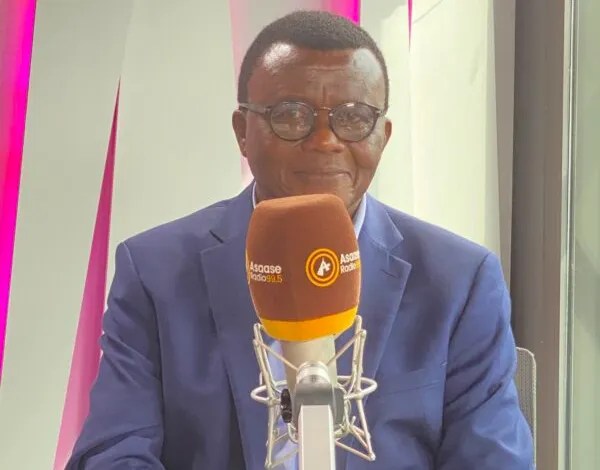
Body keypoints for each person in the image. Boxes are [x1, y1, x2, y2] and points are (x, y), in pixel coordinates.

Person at [67, 10, 534, 469]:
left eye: (354, 118)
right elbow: (111, 455)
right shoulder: (155, 272)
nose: (325, 141)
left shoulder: (459, 281)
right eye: (292, 116)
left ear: (384, 136)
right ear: (242, 132)